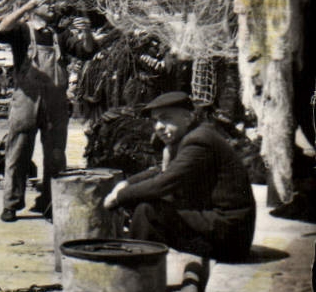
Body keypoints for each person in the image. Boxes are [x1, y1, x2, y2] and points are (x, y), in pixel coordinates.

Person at [104, 91, 255, 263]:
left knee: (148, 211)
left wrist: (119, 197)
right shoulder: (194, 135)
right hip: (221, 229)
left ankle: (131, 269)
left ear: (188, 118)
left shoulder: (199, 141)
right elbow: (161, 172)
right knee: (146, 203)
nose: (158, 127)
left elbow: (163, 183)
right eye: (155, 121)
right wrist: (127, 183)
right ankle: (143, 264)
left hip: (230, 241)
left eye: (166, 118)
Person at [0, 0, 70, 222]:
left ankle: (50, 202)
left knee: (56, 154)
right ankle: (11, 204)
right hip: (27, 99)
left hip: (55, 101)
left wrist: (85, 30)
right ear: (36, 7)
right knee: (18, 151)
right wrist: (26, 6)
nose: (53, 6)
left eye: (53, 2)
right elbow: (1, 29)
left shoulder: (60, 34)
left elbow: (86, 50)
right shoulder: (22, 31)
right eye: (47, 2)